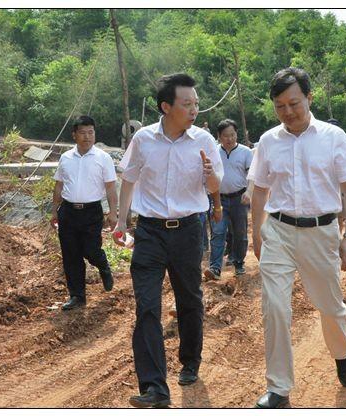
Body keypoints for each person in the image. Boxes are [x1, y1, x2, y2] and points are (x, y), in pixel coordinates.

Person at [249, 67, 346, 408]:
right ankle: (278, 389)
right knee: (274, 307)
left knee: (330, 306)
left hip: (321, 233)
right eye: (280, 106)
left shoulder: (334, 137)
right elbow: (259, 190)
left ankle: (342, 355)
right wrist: (256, 234)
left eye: (294, 103)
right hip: (279, 231)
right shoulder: (268, 141)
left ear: (309, 98)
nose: (287, 112)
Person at [113, 73, 223, 408]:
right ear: (166, 107)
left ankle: (190, 360)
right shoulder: (144, 139)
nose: (194, 110)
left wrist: (210, 176)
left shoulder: (204, 140)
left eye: (196, 104)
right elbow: (129, 179)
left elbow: (215, 186)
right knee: (147, 306)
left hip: (188, 230)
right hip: (149, 232)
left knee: (189, 299)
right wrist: (121, 221)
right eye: (186, 104)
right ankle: (154, 387)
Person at [50, 115, 118, 310]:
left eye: (91, 132)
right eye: (83, 133)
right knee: (70, 254)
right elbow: (59, 185)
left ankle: (103, 265)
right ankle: (77, 296)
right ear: (74, 135)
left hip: (91, 212)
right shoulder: (66, 158)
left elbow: (111, 187)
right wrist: (54, 211)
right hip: (68, 212)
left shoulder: (103, 158)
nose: (87, 137)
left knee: (91, 250)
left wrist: (113, 213)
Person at [204, 118, 253, 279]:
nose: (230, 139)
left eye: (232, 135)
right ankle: (215, 268)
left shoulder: (245, 152)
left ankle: (239, 263)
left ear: (236, 134)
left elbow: (251, 176)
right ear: (219, 136)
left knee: (240, 233)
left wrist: (249, 192)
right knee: (218, 232)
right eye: (226, 135)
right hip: (219, 199)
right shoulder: (214, 153)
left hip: (239, 199)